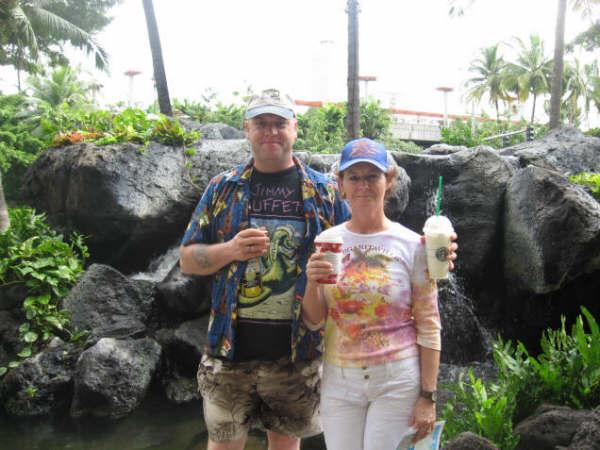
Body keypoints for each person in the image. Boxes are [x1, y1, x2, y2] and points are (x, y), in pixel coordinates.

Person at [179, 88, 350, 450]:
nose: (270, 131)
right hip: (228, 356)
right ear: (247, 129)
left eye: (279, 123)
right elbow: (188, 260)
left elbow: (361, 245)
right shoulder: (221, 188)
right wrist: (230, 250)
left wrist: (417, 255)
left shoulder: (326, 193)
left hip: (295, 357)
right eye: (261, 123)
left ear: (295, 128)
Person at [302, 137, 455, 450]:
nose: (363, 186)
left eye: (372, 176)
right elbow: (315, 321)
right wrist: (311, 282)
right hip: (339, 382)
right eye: (353, 177)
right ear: (341, 185)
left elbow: (429, 324)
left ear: (390, 181)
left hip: (396, 381)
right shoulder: (327, 241)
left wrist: (428, 396)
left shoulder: (413, 245)